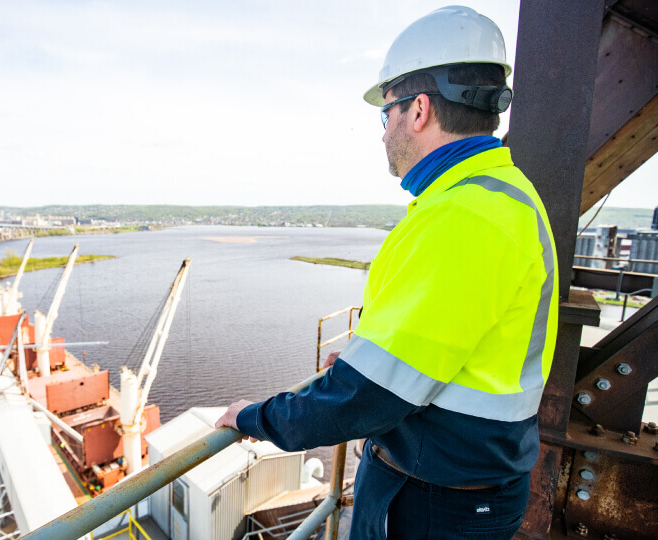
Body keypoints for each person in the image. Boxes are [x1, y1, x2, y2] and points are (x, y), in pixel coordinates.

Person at [213, 6, 556, 539]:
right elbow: (443, 348)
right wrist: (366, 357)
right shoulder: (500, 198)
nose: (382, 134)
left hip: (435, 502)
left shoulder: (462, 217)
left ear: (418, 111)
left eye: (386, 114)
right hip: (459, 483)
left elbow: (364, 399)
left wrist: (254, 417)